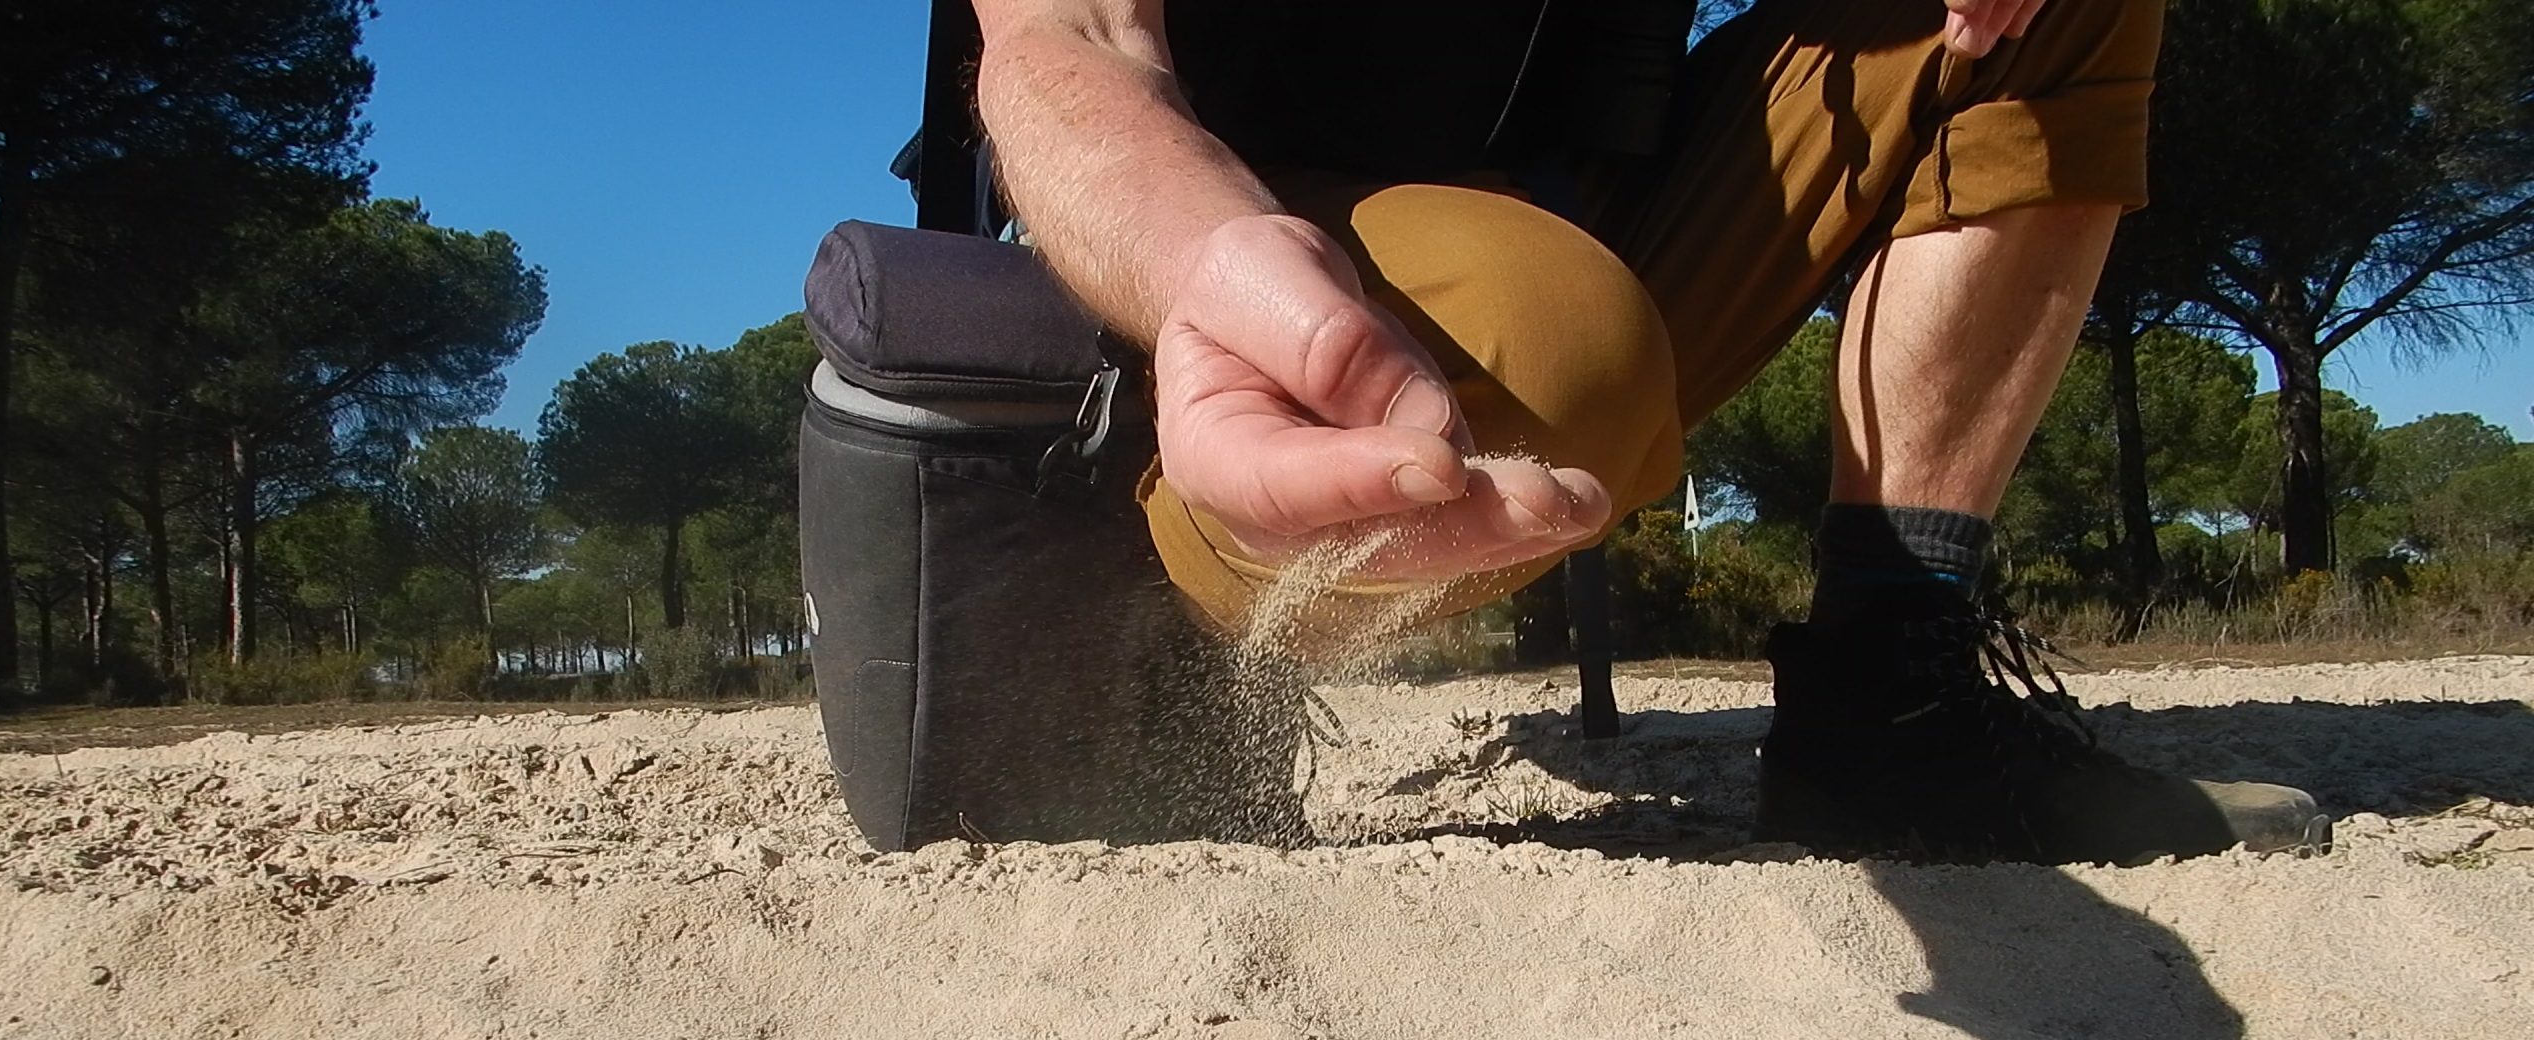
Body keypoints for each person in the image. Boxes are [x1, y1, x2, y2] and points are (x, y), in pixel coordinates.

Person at [964, 0, 2329, 864]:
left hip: (1597, 186)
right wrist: (1206, 267)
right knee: (1554, 361)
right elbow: (1064, 40)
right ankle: (1191, 628)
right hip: (1233, 235)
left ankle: (1892, 711)